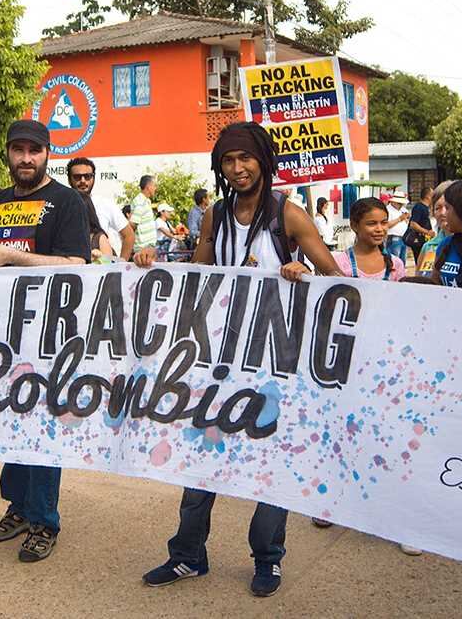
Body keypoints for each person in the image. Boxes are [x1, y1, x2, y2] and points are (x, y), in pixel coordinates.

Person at [135, 121, 343, 597]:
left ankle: (268, 560)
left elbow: (336, 277)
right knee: (198, 460)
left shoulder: (289, 216)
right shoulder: (215, 217)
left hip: (274, 363)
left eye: (245, 159)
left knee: (269, 463)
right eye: (228, 161)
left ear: (263, 161)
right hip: (220, 360)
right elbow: (198, 277)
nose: (238, 168)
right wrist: (152, 261)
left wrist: (302, 273)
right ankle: (188, 556)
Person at [0, 119, 90, 563]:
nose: (26, 158)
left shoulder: (67, 201)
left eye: (34, 150)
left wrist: (11, 257)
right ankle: (18, 506)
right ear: (8, 153)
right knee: (8, 423)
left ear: (48, 153)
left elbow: (75, 263)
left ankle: (44, 521)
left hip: (47, 336)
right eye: (18, 150)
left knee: (43, 425)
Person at [67, 157, 134, 260]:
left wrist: (121, 266)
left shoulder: (106, 204)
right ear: (69, 179)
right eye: (77, 177)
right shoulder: (62, 204)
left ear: (93, 178)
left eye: (88, 176)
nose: (83, 181)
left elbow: (129, 235)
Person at [416, 180, 454, 277]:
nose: (442, 213)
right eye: (438, 208)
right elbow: (419, 281)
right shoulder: (428, 247)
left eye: (448, 207)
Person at [405, 186, 435, 262]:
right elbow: (413, 224)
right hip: (418, 240)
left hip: (424, 240)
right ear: (428, 196)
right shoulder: (419, 207)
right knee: (420, 261)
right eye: (433, 195)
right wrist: (427, 232)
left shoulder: (425, 208)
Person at [131, 175, 158, 253]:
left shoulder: (146, 201)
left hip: (148, 248)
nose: (155, 188)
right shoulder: (140, 202)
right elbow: (132, 224)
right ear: (148, 187)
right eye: (154, 186)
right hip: (143, 249)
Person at [382, 191, 411, 264]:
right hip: (394, 237)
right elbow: (386, 225)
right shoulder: (388, 210)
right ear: (393, 202)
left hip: (404, 237)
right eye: (399, 203)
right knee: (394, 260)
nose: (401, 205)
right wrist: (399, 219)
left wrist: (406, 220)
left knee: (402, 261)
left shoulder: (403, 210)